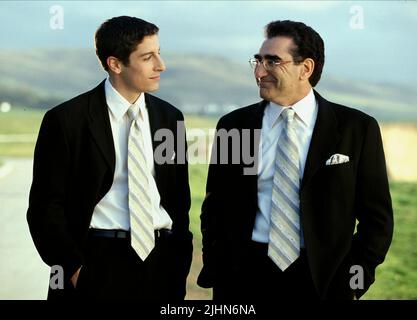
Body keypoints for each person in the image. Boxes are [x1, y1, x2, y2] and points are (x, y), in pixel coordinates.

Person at [197, 20, 393, 300]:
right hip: (243, 278)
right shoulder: (234, 125)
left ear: (306, 68)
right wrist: (218, 264)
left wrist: (354, 281)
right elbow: (215, 204)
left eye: (272, 61)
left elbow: (377, 219)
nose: (259, 70)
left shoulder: (356, 128)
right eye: (258, 60)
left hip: (323, 282)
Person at [27, 16, 192, 300]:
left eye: (159, 54)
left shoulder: (169, 118)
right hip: (97, 263)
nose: (160, 66)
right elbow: (45, 207)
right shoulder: (66, 120)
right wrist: (73, 267)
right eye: (148, 57)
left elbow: (178, 198)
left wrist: (178, 260)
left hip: (161, 263)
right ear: (115, 64)